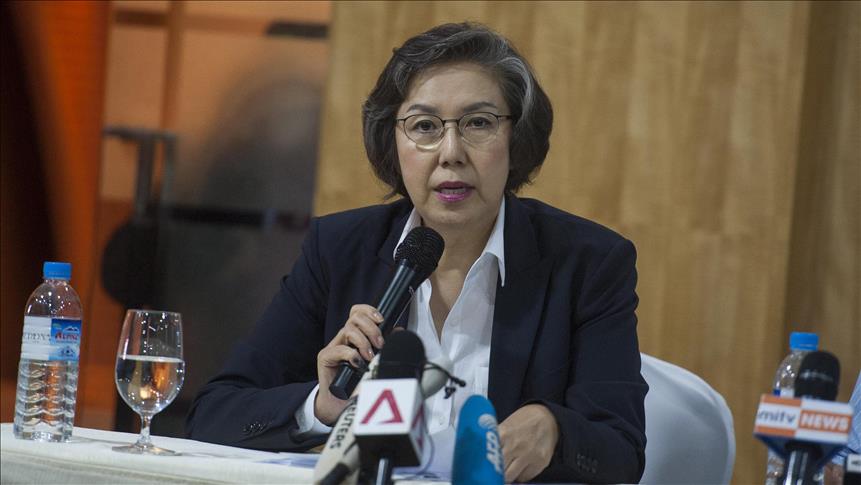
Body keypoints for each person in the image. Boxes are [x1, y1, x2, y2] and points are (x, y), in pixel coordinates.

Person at [186, 22, 647, 483]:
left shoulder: (588, 263)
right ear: (393, 142)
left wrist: (555, 431)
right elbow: (215, 414)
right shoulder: (340, 249)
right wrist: (323, 405)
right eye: (424, 126)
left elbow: (622, 452)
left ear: (517, 138)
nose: (451, 153)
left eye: (479, 123)